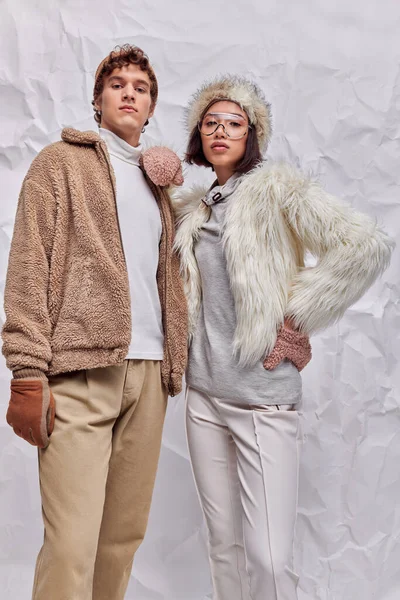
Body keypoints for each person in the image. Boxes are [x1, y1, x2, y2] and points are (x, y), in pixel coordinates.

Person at [173, 75, 394, 600]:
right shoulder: (198, 207)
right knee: (222, 545)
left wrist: (297, 318)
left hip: (263, 399)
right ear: (198, 135)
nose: (221, 131)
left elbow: (363, 245)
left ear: (252, 134)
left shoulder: (276, 188)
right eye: (211, 123)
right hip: (204, 398)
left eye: (234, 122)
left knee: (269, 559)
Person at [2, 44, 187, 600]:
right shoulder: (59, 163)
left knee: (121, 540)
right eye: (118, 84)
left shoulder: (161, 184)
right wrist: (27, 369)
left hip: (151, 374)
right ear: (99, 99)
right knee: (72, 545)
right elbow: (30, 263)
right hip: (80, 372)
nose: (130, 92)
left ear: (151, 107)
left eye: (142, 87)